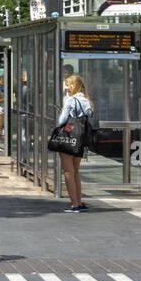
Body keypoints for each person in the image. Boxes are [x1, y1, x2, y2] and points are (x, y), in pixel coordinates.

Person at [58, 74, 94, 213]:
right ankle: (79, 201)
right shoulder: (86, 100)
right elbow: (89, 116)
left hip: (69, 136)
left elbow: (62, 120)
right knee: (76, 171)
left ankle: (74, 204)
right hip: (81, 137)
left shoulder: (70, 100)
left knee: (68, 171)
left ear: (73, 85)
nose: (66, 87)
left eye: (68, 84)